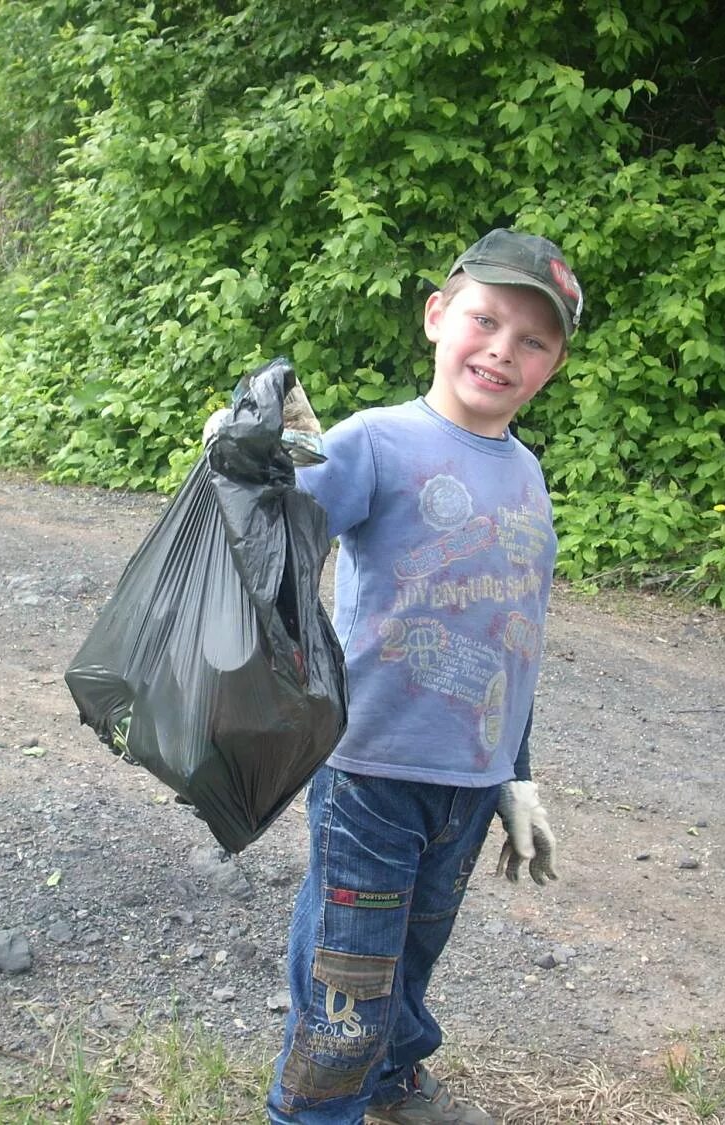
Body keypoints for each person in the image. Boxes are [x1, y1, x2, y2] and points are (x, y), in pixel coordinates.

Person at [217, 229, 583, 1124]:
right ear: (436, 316)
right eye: (485, 319)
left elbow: (512, 637)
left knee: (412, 956)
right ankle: (317, 1109)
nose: (503, 348)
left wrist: (516, 772)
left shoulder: (528, 475)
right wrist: (248, 461)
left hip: (467, 780)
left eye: (533, 338)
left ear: (554, 363)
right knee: (351, 970)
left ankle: (391, 1075)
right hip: (373, 771)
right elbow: (280, 528)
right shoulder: (381, 442)